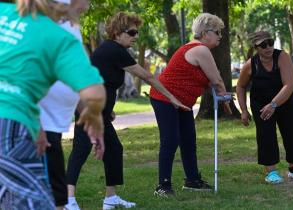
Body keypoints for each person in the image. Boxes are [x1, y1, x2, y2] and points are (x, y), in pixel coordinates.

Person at [65, 12, 189, 210]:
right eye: (131, 32)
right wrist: (172, 98)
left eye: (136, 32)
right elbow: (147, 76)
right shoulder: (115, 50)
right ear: (117, 33)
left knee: (114, 149)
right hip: (90, 107)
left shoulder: (112, 50)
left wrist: (109, 111)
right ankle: (68, 200)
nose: (135, 36)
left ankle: (110, 198)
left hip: (101, 110)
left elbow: (103, 80)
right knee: (81, 149)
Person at [0, 1, 106, 210]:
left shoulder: (3, 11)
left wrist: (35, 123)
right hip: (9, 128)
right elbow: (94, 93)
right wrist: (94, 115)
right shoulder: (59, 38)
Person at [149, 13, 232, 196]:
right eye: (217, 32)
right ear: (205, 33)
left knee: (188, 140)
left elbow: (213, 80)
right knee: (170, 140)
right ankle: (163, 186)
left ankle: (192, 180)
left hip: (182, 102)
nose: (220, 36)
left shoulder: (201, 50)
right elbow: (217, 80)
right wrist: (226, 100)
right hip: (165, 98)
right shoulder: (200, 49)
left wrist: (223, 96)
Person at [236, 31, 293, 184]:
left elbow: (290, 84)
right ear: (256, 47)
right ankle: (271, 172)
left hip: (285, 101)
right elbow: (240, 86)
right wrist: (244, 110)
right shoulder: (250, 64)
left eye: (270, 42)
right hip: (261, 105)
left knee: (292, 133)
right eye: (263, 45)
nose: (268, 47)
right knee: (266, 135)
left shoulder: (282, 56)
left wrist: (273, 104)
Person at [37, 0, 90, 209]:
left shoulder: (69, 25)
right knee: (41, 195)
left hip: (52, 126)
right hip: (36, 126)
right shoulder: (39, 26)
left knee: (57, 195)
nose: (86, 7)